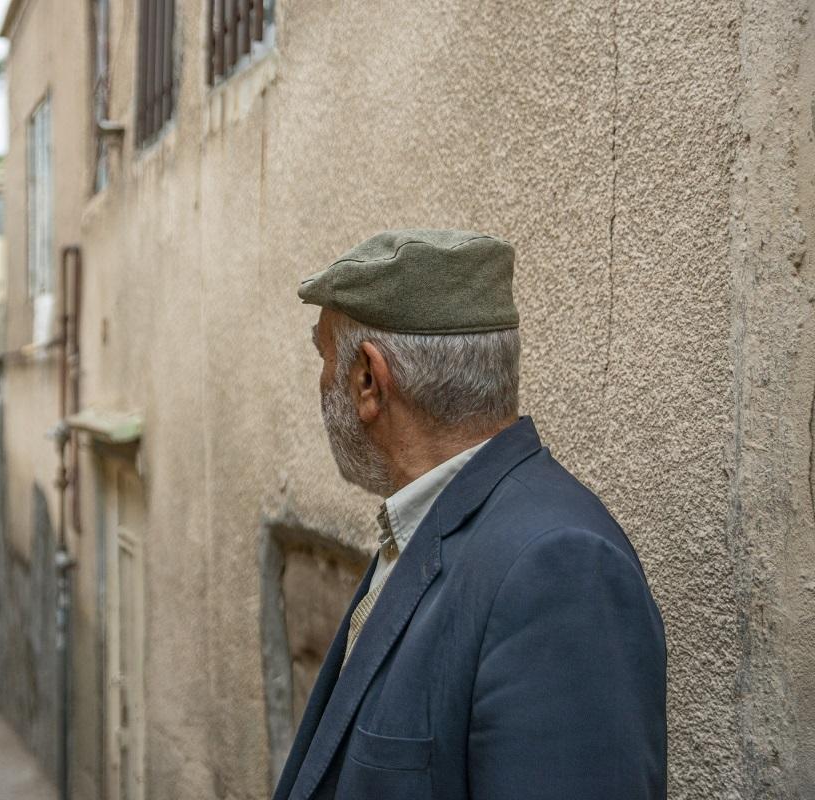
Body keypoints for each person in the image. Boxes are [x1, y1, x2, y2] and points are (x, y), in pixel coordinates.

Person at [273, 229, 667, 800]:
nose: (320, 381)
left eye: (325, 356)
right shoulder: (427, 525)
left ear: (367, 380)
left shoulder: (559, 571)